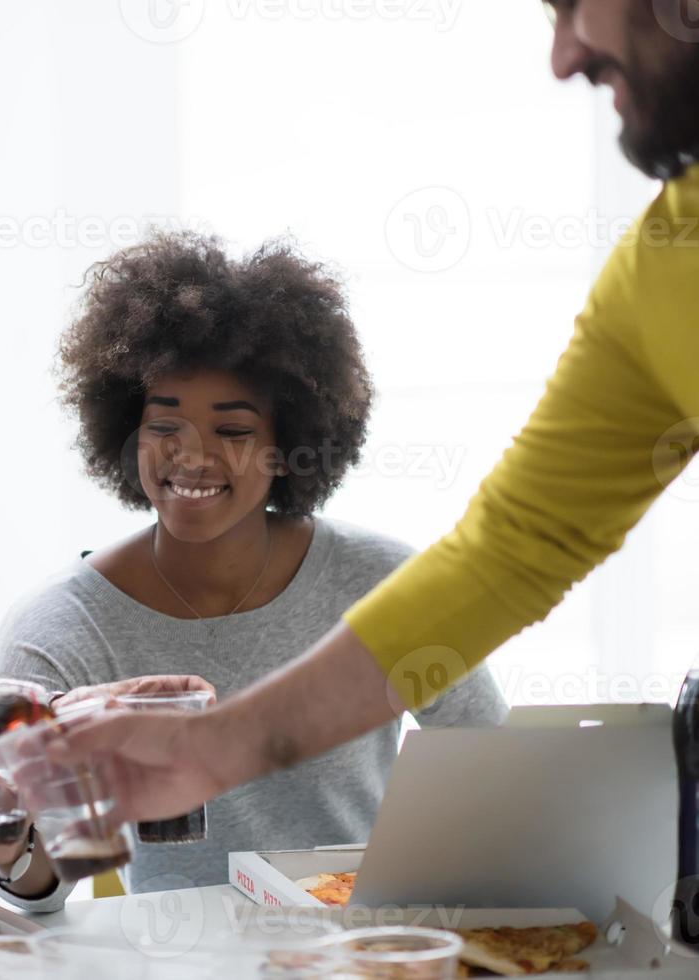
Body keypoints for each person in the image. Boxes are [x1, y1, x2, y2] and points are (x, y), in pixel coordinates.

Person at [49, 0, 699, 830]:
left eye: (575, 4)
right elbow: (513, 552)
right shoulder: (662, 265)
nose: (562, 56)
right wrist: (208, 751)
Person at [0, 234, 506, 909]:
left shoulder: (382, 584)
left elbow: (492, 771)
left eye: (232, 432)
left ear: (286, 448)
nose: (190, 455)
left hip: (362, 950)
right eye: (163, 426)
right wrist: (12, 848)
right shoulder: (59, 628)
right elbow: (43, 889)